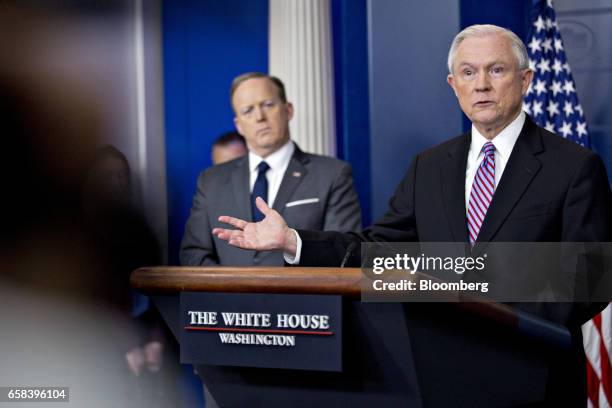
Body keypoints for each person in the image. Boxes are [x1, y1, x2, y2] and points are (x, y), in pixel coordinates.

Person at [213, 25, 611, 404]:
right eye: (468, 72)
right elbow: (378, 249)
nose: (482, 84)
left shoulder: (574, 166)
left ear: (525, 80)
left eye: (497, 70)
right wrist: (293, 241)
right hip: (442, 379)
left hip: (536, 380)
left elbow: (590, 279)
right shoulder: (430, 166)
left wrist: (497, 318)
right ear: (454, 86)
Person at [180, 72, 362, 266]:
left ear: (288, 110)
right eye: (248, 110)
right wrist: (230, 291)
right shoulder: (210, 180)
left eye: (268, 105)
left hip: (303, 296)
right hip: (227, 296)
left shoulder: (332, 173)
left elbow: (346, 254)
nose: (260, 117)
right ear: (239, 125)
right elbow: (194, 254)